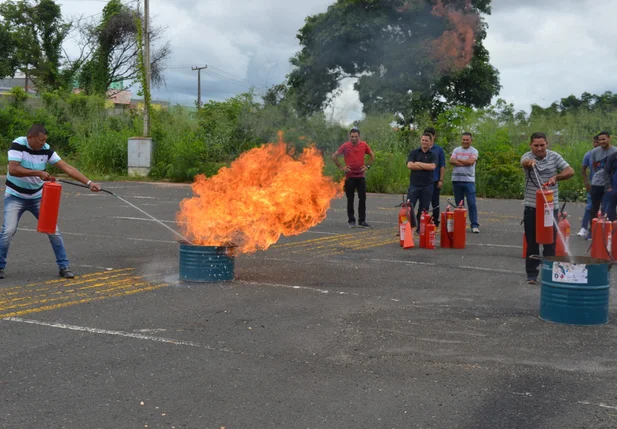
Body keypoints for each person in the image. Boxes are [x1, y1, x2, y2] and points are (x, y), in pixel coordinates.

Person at [0, 124, 101, 279]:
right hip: (15, 196)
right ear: (30, 138)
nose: (43, 143)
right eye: (41, 140)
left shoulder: (46, 149)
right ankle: (0, 266)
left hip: (37, 197)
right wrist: (38, 172)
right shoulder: (18, 144)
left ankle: (64, 267)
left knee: (53, 231)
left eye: (45, 140)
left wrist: (89, 183)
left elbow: (67, 168)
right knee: (8, 231)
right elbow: (13, 169)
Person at [520, 132, 574, 285]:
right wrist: (530, 163)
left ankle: (551, 274)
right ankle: (532, 275)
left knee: (550, 243)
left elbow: (570, 171)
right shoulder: (527, 156)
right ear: (531, 145)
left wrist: (556, 177)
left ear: (547, 144)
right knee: (532, 243)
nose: (539, 148)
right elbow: (524, 162)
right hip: (532, 207)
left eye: (542, 145)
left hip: (551, 207)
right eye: (536, 145)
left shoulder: (554, 156)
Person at [332, 127, 375, 228]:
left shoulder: (364, 145)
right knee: (350, 199)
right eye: (352, 137)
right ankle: (351, 220)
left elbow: (372, 155)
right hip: (350, 177)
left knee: (362, 199)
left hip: (360, 177)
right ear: (349, 137)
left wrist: (367, 166)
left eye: (356, 136)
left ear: (359, 136)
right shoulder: (345, 146)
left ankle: (362, 221)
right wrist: (341, 167)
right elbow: (334, 156)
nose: (354, 138)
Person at [450, 132, 479, 233]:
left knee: (472, 203)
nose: (465, 141)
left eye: (467, 140)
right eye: (464, 139)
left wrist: (458, 160)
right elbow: (451, 160)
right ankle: (460, 224)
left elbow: (471, 162)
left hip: (469, 181)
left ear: (471, 140)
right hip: (456, 180)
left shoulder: (474, 150)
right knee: (459, 205)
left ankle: (474, 225)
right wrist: (465, 162)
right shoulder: (456, 150)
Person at [407, 133, 437, 229]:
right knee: (409, 207)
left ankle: (421, 228)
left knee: (424, 209)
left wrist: (418, 163)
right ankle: (407, 228)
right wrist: (425, 166)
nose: (424, 142)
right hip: (414, 185)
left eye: (426, 140)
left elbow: (432, 167)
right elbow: (410, 165)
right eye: (423, 140)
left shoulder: (433, 154)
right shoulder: (414, 152)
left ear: (430, 142)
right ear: (420, 140)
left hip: (427, 186)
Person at [589, 131, 616, 231]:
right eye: (600, 140)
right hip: (597, 183)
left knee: (609, 208)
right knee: (594, 208)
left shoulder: (614, 151)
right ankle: (593, 230)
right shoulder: (595, 151)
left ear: (609, 138)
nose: (601, 142)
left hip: (610, 184)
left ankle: (608, 230)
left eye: (604, 139)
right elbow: (594, 165)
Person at [578, 135, 600, 236]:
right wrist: (586, 183)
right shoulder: (589, 155)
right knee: (590, 207)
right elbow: (583, 169)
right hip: (593, 185)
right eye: (594, 142)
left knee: (606, 208)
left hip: (607, 185)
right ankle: (584, 228)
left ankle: (597, 230)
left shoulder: (610, 154)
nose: (596, 144)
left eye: (598, 142)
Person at [424, 127, 445, 228]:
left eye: (430, 135)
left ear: (434, 136)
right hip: (423, 179)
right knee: (424, 202)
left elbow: (442, 165)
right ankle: (424, 219)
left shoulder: (439, 149)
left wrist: (441, 179)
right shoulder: (422, 149)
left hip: (435, 179)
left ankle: (435, 220)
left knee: (435, 201)